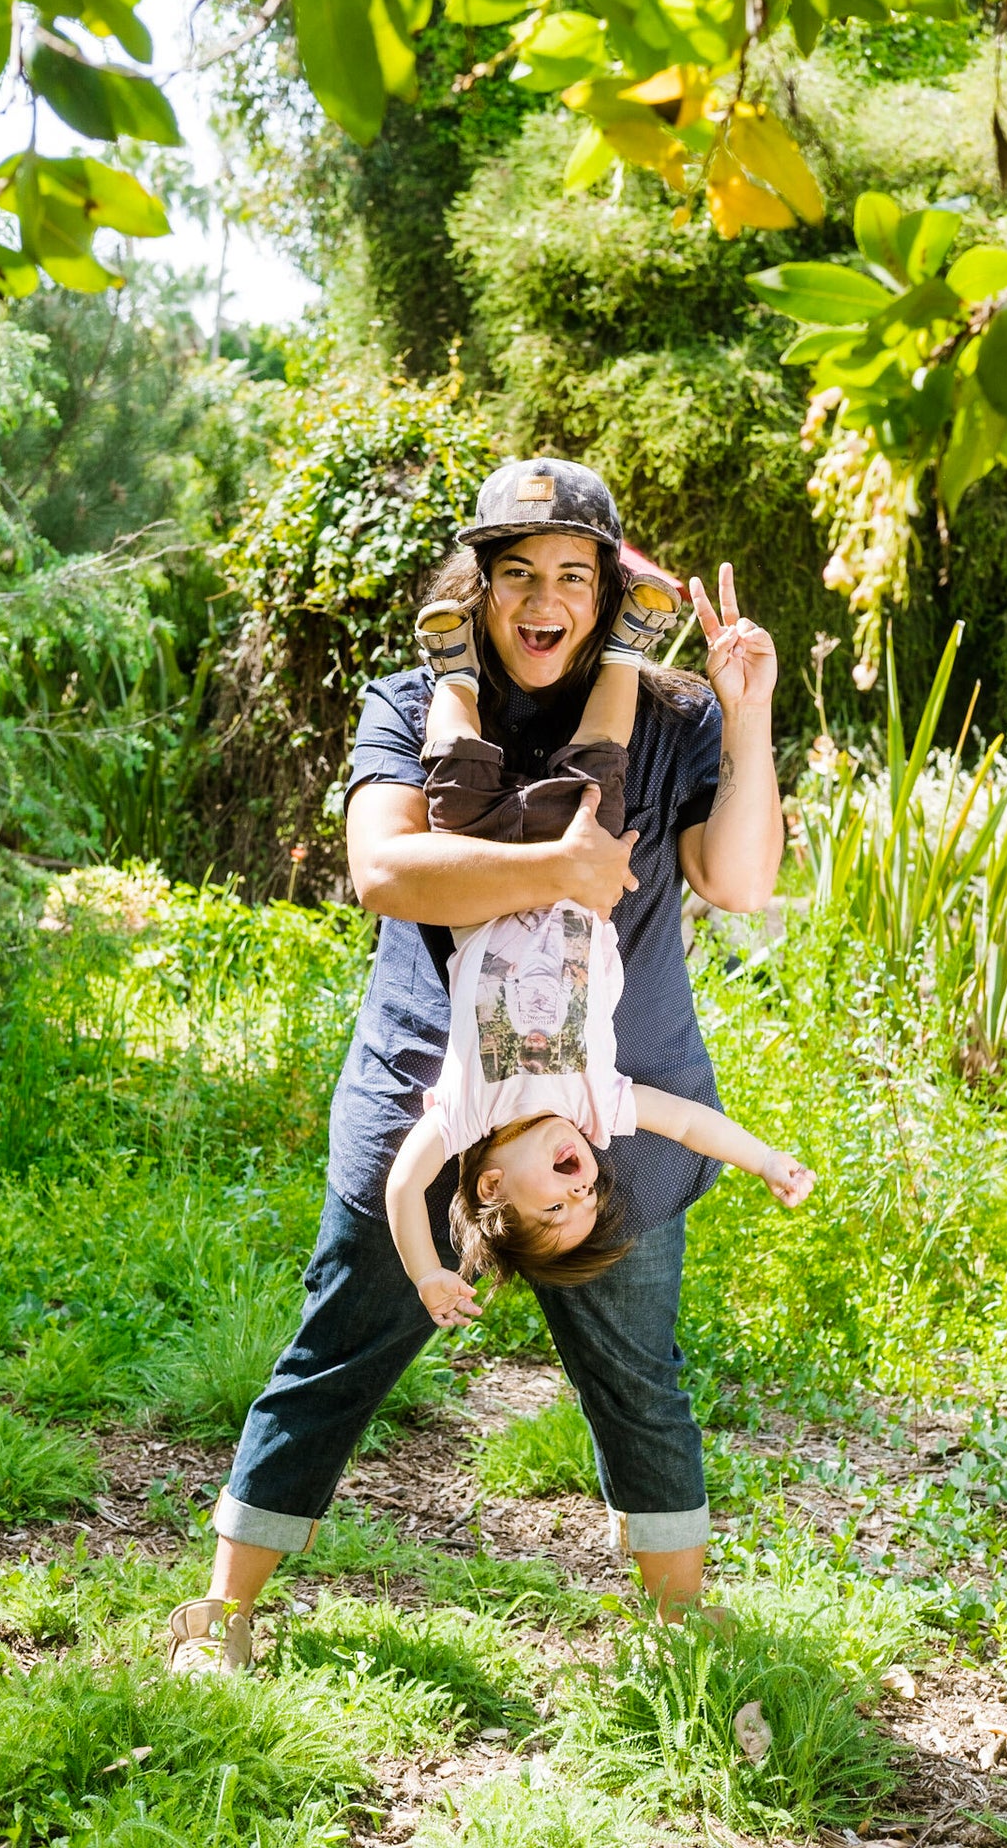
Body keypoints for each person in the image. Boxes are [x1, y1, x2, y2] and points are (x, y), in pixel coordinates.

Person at [166, 457, 790, 1675]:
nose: (539, 599)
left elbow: (740, 882)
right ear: (481, 586)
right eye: (514, 573)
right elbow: (385, 873)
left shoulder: (670, 716)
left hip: (617, 1123)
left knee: (635, 1373)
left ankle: (678, 1625)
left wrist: (748, 707)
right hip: (428, 1093)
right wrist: (559, 873)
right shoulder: (411, 700)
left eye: (570, 574)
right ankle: (225, 1614)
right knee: (340, 1343)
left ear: (606, 594)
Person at [388, 576, 814, 1326]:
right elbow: (685, 1124)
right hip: (583, 870)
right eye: (586, 1197)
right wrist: (765, 1159)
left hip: (483, 867)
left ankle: (453, 668)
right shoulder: (591, 1107)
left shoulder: (462, 1116)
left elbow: (400, 1186)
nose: (580, 1188)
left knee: (457, 772)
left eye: (557, 1205)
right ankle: (624, 653)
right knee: (600, 766)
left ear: (490, 1188)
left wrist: (426, 1272)